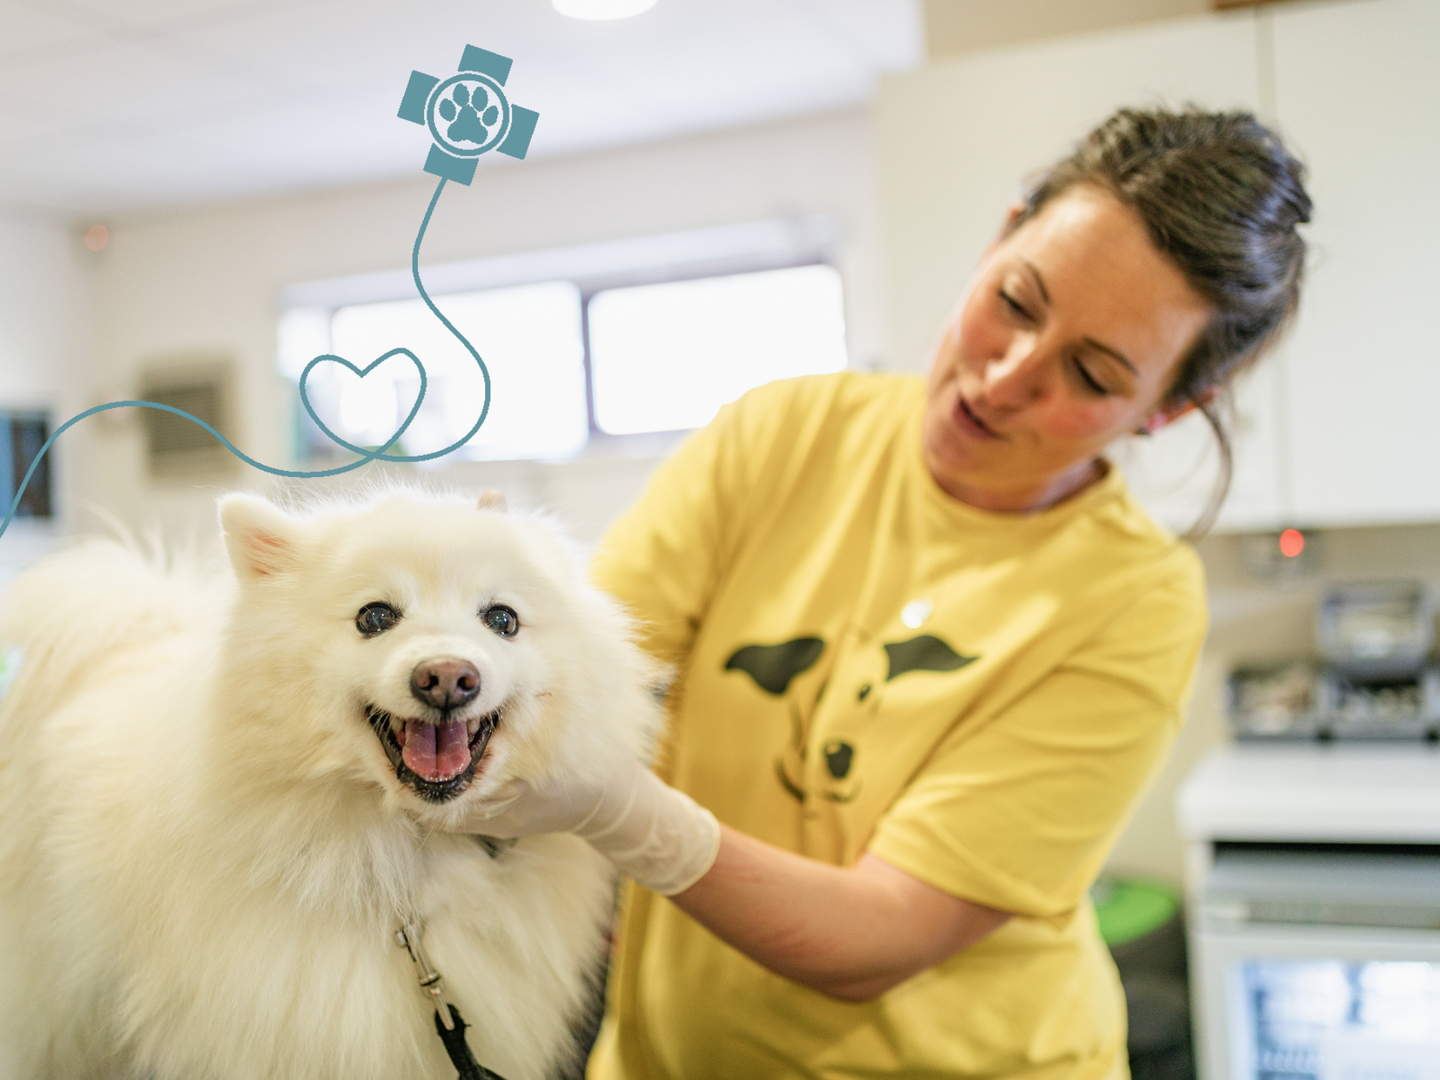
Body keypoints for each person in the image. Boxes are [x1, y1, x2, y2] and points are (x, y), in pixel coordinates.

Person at [459, 107, 1312, 1078]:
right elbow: (577, 672)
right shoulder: (782, 435)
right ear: (998, 237)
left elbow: (882, 935)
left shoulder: (1133, 600)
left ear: (1170, 406)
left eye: (1090, 371)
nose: (1007, 375)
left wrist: (619, 815)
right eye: (1018, 301)